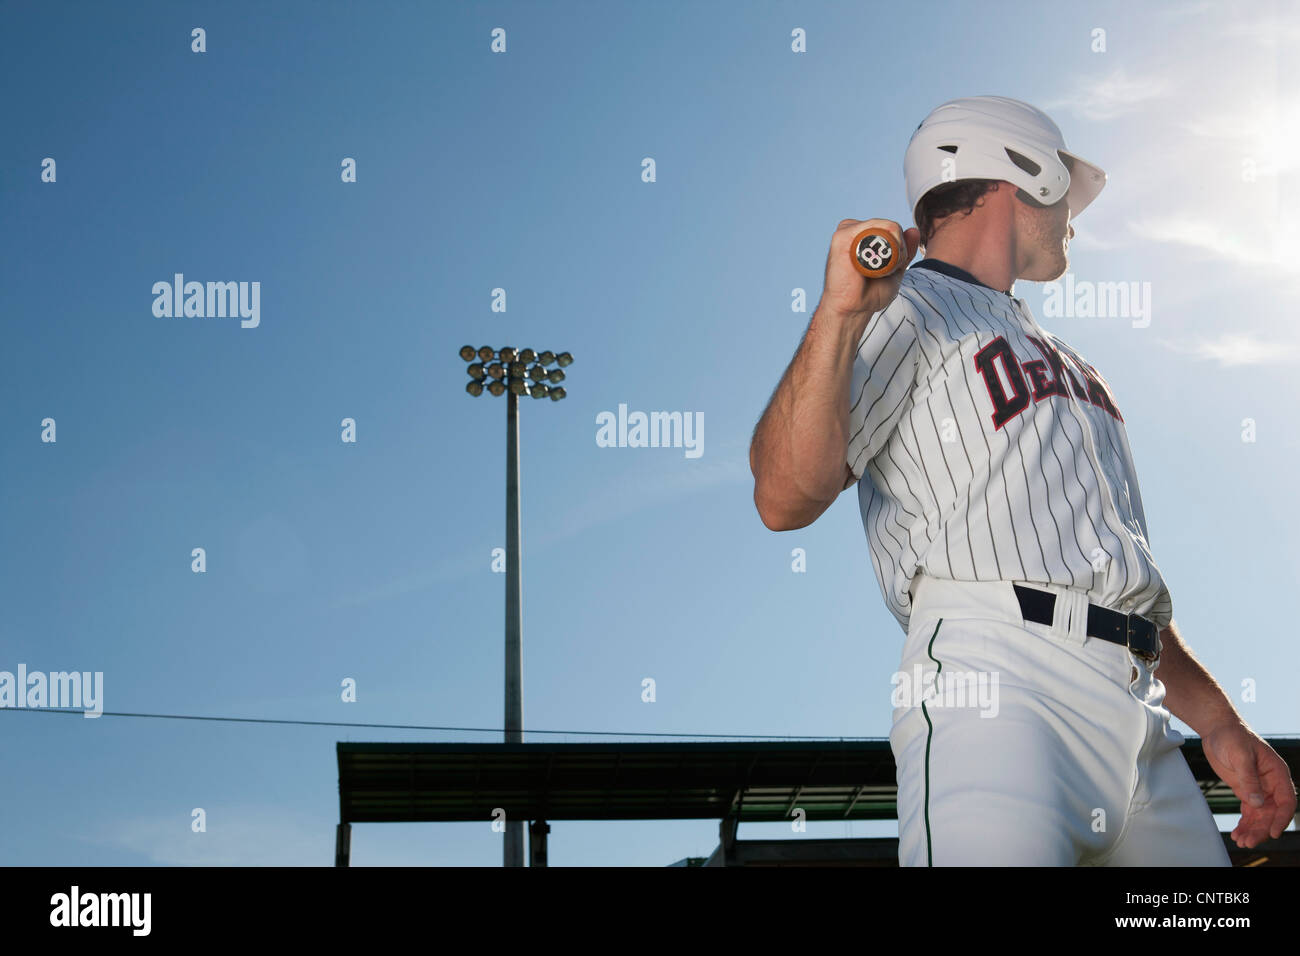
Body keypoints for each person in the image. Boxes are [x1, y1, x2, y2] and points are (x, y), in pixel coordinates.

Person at [748, 95, 1296, 865]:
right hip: (996, 683)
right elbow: (782, 498)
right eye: (1064, 185)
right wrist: (840, 318)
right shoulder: (903, 304)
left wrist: (1218, 722)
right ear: (1023, 171)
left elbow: (1108, 577)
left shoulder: (1078, 365)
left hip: (1142, 711)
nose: (1072, 211)